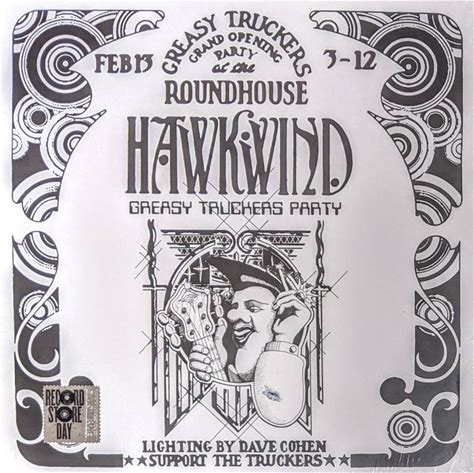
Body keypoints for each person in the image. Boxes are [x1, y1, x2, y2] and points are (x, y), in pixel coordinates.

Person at [188, 256, 313, 427]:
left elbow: (278, 413)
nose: (232, 315)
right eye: (234, 307)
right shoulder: (226, 363)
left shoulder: (285, 385)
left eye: (253, 307)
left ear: (283, 316)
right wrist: (216, 375)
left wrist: (283, 338)